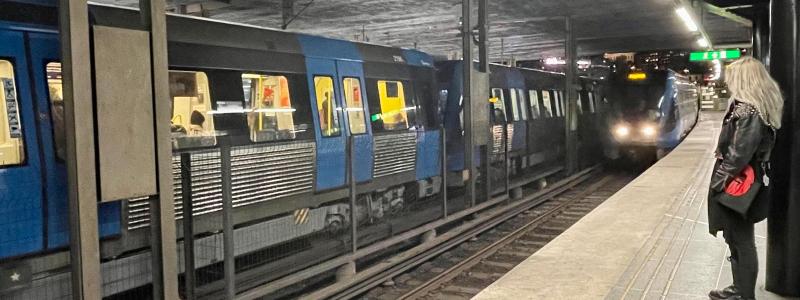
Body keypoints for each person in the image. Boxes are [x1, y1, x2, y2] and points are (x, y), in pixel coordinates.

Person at [708, 57, 783, 300]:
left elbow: (739, 155)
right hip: (741, 180)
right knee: (736, 236)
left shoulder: (748, 110)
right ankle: (738, 287)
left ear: (743, 80)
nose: (728, 82)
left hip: (739, 182)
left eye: (732, 78)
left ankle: (743, 293)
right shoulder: (752, 107)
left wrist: (719, 183)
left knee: (741, 239)